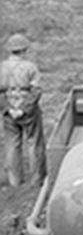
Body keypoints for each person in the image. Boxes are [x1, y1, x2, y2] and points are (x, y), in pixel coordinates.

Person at [0, 34, 47, 187]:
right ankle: (36, 181)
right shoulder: (30, 67)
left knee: (11, 145)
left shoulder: (2, 67)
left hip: (8, 108)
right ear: (24, 50)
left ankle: (15, 182)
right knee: (34, 143)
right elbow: (36, 90)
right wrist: (23, 109)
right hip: (29, 110)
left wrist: (8, 108)